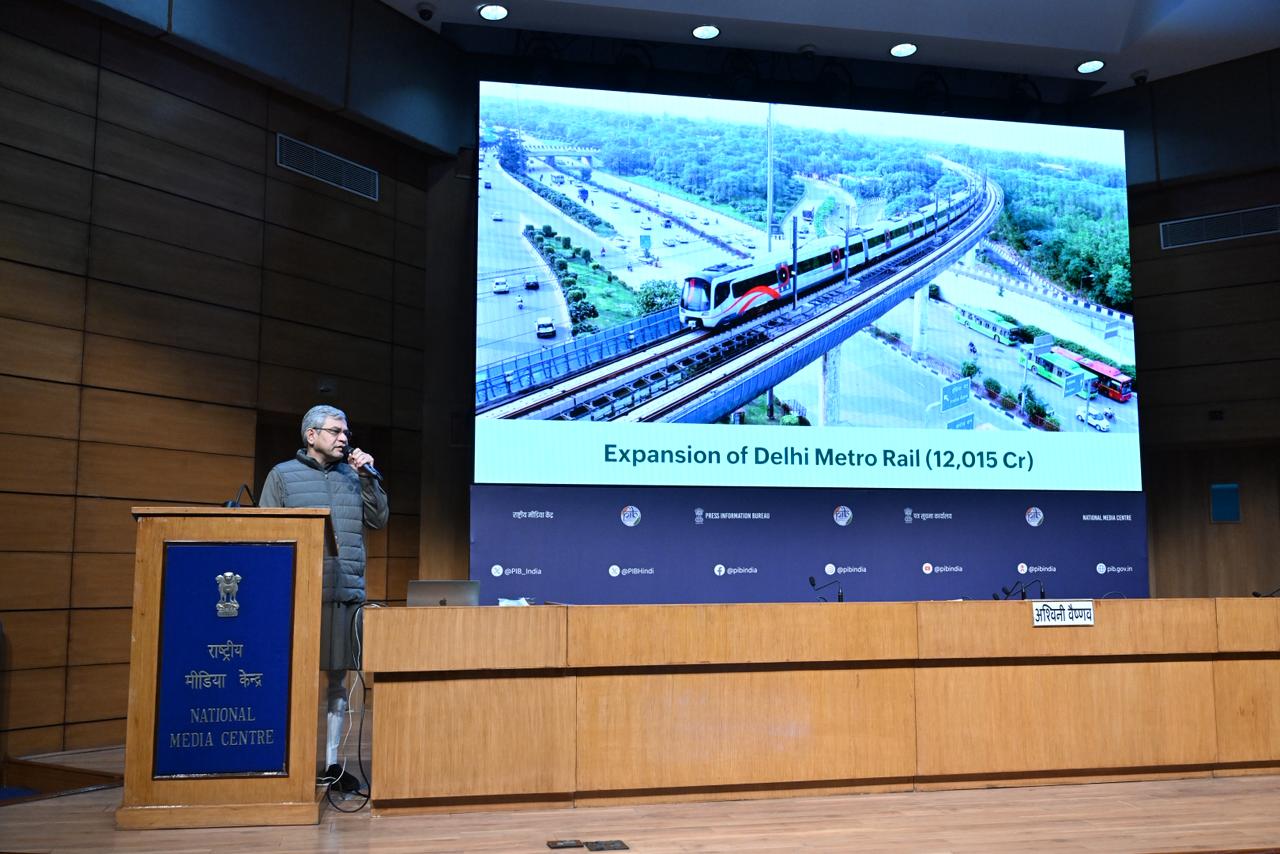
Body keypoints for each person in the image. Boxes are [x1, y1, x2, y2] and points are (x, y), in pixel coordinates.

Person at [259, 404, 388, 793]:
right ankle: (289, 762)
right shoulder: (282, 475)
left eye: (346, 432)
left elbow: (379, 519)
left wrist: (368, 477)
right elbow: (265, 533)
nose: (344, 438)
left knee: (337, 679)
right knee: (292, 679)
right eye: (335, 431)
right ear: (311, 435)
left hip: (345, 592)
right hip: (298, 595)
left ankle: (332, 763)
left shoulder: (355, 476)